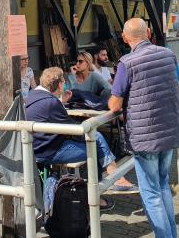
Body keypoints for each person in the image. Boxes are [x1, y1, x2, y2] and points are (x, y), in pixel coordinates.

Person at [108, 18, 179, 238]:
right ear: (149, 33)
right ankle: (172, 234)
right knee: (162, 185)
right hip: (169, 130)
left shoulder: (127, 63)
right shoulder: (168, 55)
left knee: (150, 193)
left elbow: (115, 104)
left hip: (144, 137)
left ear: (124, 38)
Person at [25, 66, 137, 211]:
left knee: (95, 138)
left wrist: (61, 102)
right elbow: (75, 129)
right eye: (63, 82)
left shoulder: (32, 96)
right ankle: (98, 194)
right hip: (50, 150)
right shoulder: (51, 103)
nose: (64, 85)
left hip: (36, 148)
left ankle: (113, 176)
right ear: (59, 84)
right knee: (94, 145)